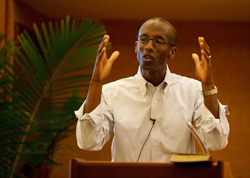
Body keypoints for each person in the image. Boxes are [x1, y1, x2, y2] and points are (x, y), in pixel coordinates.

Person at [74, 17, 230, 162]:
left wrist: (208, 85)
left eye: (158, 41)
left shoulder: (192, 90)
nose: (148, 47)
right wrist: (96, 82)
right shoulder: (112, 92)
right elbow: (88, 142)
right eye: (143, 40)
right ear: (136, 47)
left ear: (172, 52)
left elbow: (216, 142)